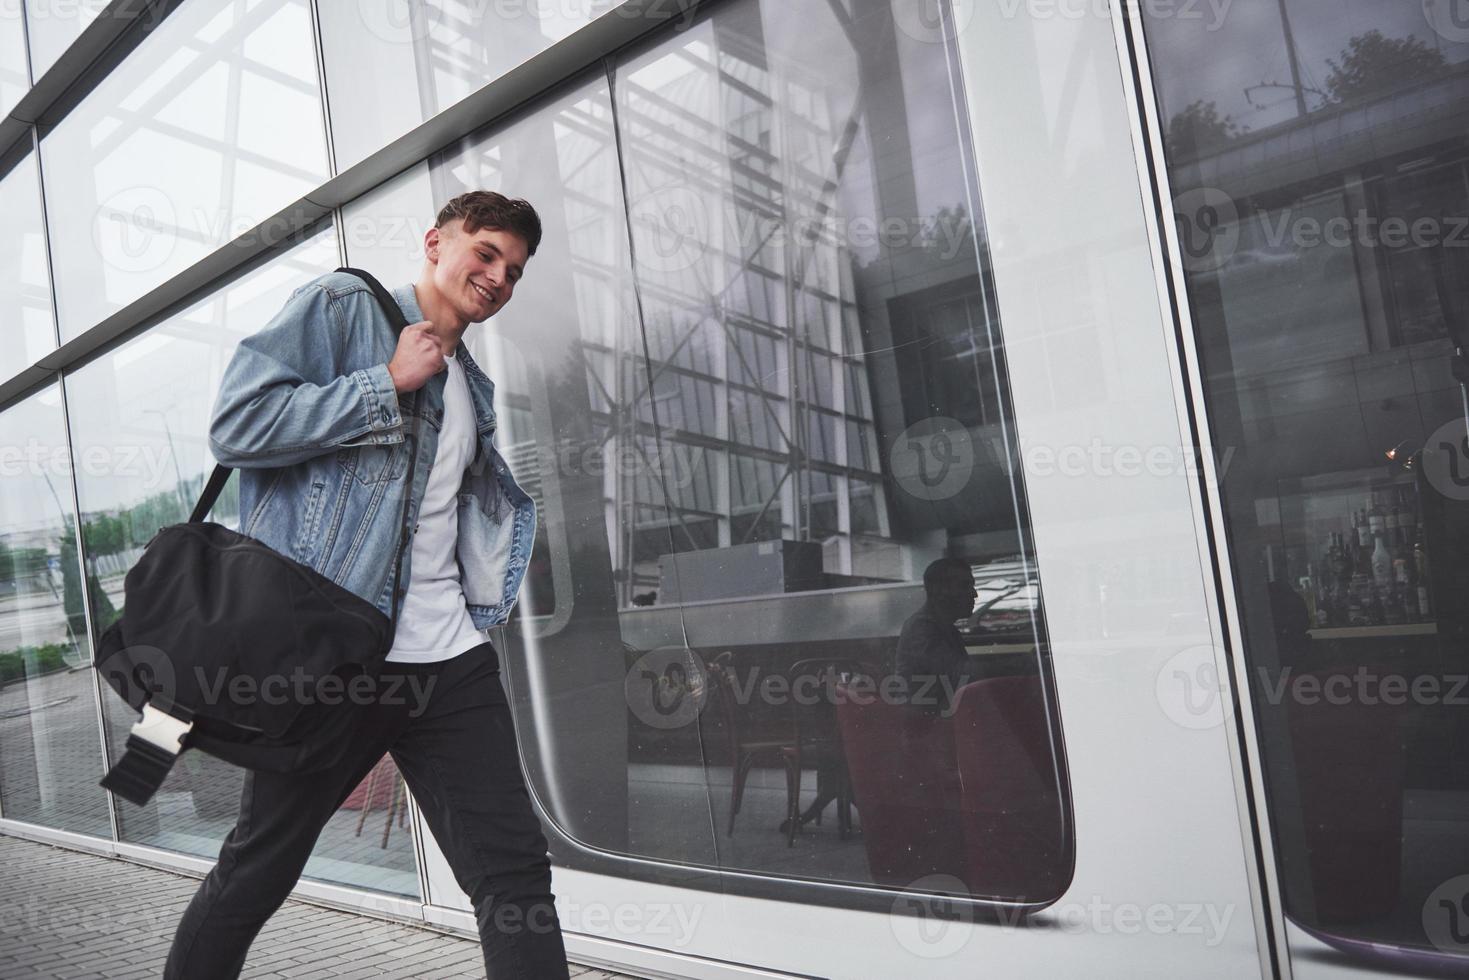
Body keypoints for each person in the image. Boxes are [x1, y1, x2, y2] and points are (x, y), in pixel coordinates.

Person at [162, 191, 570, 979]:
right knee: (258, 869)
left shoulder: (471, 388)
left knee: (514, 878)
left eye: (512, 271)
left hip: (449, 663)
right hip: (335, 664)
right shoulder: (344, 307)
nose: (497, 277)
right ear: (435, 243)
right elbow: (237, 426)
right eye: (484, 253)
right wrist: (383, 383)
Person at [893, 557, 979, 713]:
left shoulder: (945, 628)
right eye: (964, 586)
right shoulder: (921, 628)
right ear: (939, 592)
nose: (975, 594)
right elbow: (962, 673)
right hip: (927, 727)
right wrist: (1020, 664)